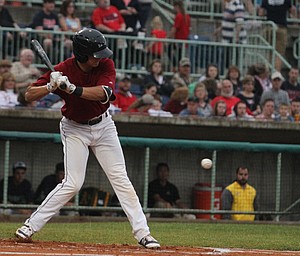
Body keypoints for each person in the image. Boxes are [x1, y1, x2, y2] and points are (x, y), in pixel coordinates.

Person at [15, 28, 160, 249]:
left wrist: (72, 88)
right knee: (73, 183)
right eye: (95, 54)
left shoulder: (105, 65)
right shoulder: (64, 68)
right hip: (74, 129)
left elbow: (103, 93)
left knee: (120, 178)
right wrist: (50, 86)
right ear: (82, 54)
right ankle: (30, 226)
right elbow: (28, 95)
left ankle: (143, 233)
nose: (101, 58)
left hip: (103, 126)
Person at [258, 0, 296, 71]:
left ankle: (269, 71)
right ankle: (276, 73)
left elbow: (261, 13)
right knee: (279, 53)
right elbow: (292, 10)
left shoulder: (266, 1)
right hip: (281, 27)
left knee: (270, 51)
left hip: (269, 27)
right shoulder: (286, 1)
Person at [168, 0, 191, 70]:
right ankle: (178, 67)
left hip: (179, 39)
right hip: (185, 39)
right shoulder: (187, 16)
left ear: (177, 7)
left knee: (169, 50)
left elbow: (174, 29)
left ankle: (176, 66)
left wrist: (168, 37)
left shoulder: (179, 16)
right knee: (180, 56)